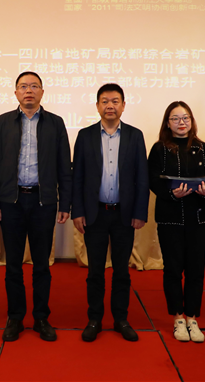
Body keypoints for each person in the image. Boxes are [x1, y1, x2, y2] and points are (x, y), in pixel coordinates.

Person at [0, 71, 72, 342]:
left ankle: (41, 317)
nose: (29, 91)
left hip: (42, 202)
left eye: (34, 86)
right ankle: (15, 317)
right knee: (12, 264)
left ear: (42, 92)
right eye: (23, 86)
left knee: (41, 265)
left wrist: (65, 202)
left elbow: (64, 167)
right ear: (15, 92)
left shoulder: (55, 123)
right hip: (10, 202)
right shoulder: (3, 122)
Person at [72, 84, 148, 343]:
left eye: (115, 101)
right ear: (97, 106)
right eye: (105, 101)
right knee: (95, 271)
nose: (110, 106)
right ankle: (94, 319)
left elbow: (142, 177)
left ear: (123, 105)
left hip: (124, 215)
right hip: (95, 214)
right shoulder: (85, 136)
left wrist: (139, 212)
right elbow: (77, 176)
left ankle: (120, 319)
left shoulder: (135, 136)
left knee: (122, 271)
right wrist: (77, 211)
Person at [148, 101, 205, 343]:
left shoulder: (204, 148)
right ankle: (178, 317)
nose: (181, 122)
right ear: (167, 123)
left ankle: (192, 317)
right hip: (170, 217)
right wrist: (170, 193)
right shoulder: (159, 149)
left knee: (196, 270)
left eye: (185, 118)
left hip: (197, 217)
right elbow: (153, 181)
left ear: (192, 121)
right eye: (175, 118)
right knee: (173, 269)